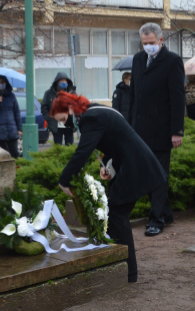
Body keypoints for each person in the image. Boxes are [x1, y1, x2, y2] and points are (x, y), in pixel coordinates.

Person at [53, 92, 166, 283]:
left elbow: (83, 151)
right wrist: (105, 163)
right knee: (115, 212)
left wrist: (64, 180)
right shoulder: (96, 111)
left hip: (135, 168)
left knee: (115, 213)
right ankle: (122, 266)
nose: (65, 124)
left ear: (70, 109)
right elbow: (114, 139)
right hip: (134, 165)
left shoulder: (91, 117)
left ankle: (127, 271)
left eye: (64, 119)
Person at [128, 22, 185, 237]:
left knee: (159, 175)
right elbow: (133, 95)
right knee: (146, 174)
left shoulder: (172, 61)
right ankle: (166, 213)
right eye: (145, 43)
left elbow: (178, 99)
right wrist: (129, 126)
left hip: (162, 130)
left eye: (151, 43)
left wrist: (177, 131)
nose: (148, 47)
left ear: (161, 40)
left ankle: (156, 219)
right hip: (140, 129)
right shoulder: (137, 59)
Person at [0, 76, 22, 158]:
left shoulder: (12, 96)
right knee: (3, 156)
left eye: (2, 82)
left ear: (6, 83)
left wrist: (19, 128)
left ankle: (17, 170)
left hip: (11, 130)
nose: (0, 84)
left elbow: (17, 112)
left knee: (15, 154)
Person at [41, 72, 76, 146]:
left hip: (69, 125)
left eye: (65, 81)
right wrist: (49, 118)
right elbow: (44, 107)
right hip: (56, 125)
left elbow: (77, 107)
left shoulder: (72, 93)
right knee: (58, 147)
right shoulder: (49, 93)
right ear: (57, 82)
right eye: (62, 81)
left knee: (69, 147)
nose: (64, 82)